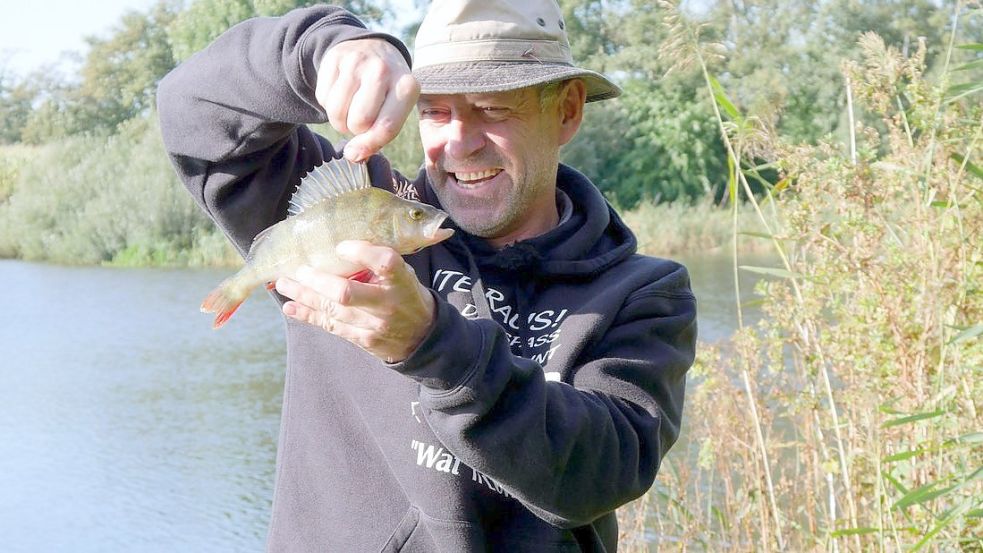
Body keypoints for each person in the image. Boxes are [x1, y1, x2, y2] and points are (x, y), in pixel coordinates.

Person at [157, 0, 697, 550]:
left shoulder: (644, 293)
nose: (460, 143)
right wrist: (324, 48)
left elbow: (599, 477)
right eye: (435, 111)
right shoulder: (367, 217)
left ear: (566, 110)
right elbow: (190, 109)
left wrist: (433, 345)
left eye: (491, 108)